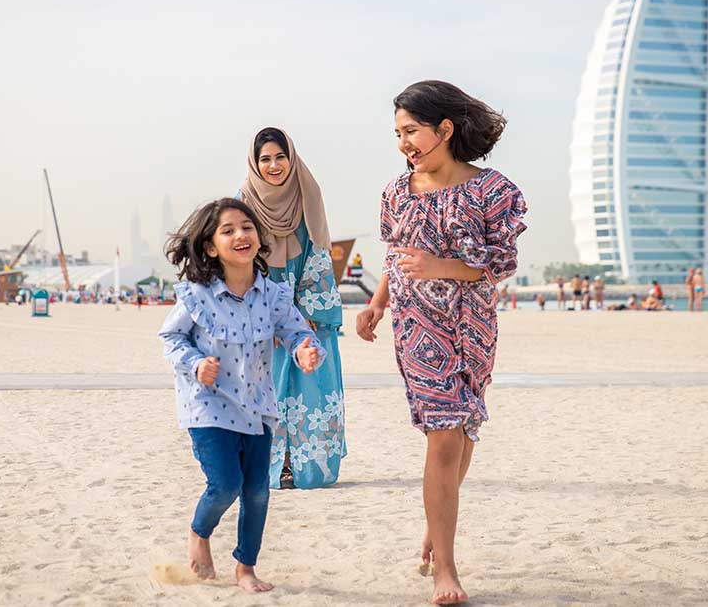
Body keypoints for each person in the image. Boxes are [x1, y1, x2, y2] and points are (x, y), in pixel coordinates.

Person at [356, 80, 526, 605]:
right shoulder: (395, 191)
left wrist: (441, 267)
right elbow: (395, 253)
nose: (403, 143)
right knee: (445, 437)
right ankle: (444, 572)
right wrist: (377, 303)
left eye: (411, 131)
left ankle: (437, 521)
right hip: (417, 328)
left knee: (465, 431)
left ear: (444, 129)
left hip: (473, 328)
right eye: (398, 133)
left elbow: (498, 264)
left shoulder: (493, 191)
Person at [159, 197, 324, 593]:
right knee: (226, 485)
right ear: (211, 247)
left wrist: (304, 349)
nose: (241, 235)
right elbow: (170, 337)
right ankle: (200, 532)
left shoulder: (275, 295)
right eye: (228, 230)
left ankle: (245, 568)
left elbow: (297, 332)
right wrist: (197, 364)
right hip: (208, 405)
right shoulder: (197, 295)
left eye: (247, 227)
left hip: (257, 405)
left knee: (257, 491)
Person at [238, 127, 345, 490]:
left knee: (308, 389)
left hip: (309, 313)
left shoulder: (307, 195)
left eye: (280, 157)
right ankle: (271, 467)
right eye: (265, 158)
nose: (273, 165)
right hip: (260, 315)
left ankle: (303, 467)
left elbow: (319, 253)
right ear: (255, 162)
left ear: (291, 158)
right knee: (266, 390)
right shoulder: (244, 203)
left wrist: (304, 317)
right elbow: (241, 261)